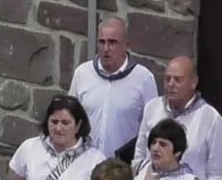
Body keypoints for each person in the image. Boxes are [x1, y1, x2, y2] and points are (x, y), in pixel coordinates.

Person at [68, 18, 159, 161]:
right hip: (84, 163)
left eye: (112, 42)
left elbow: (152, 129)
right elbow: (70, 118)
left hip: (123, 166)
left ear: (127, 45)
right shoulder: (82, 74)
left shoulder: (144, 79)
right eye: (101, 42)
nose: (106, 49)